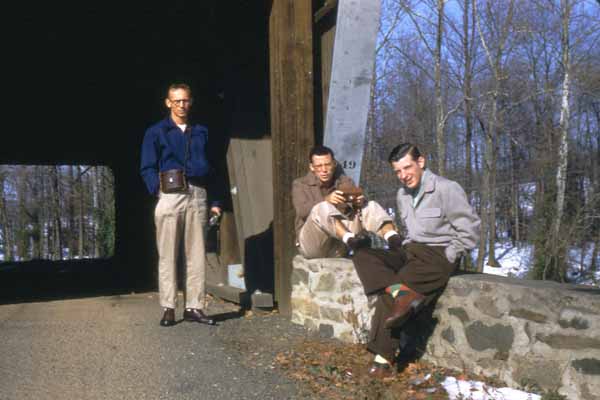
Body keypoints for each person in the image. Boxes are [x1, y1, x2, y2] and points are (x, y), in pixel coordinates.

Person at [351, 143, 480, 377]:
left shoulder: (446, 189)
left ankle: (382, 361)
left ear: (421, 162)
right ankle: (404, 294)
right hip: (412, 250)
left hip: (437, 255)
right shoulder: (402, 195)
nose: (403, 176)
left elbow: (469, 230)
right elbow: (411, 230)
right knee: (364, 255)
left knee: (388, 295)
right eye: (398, 171)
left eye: (407, 168)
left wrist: (451, 255)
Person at [140, 83, 221, 327]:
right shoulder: (156, 132)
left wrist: (216, 201)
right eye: (177, 101)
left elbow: (215, 168)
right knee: (167, 254)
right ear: (168, 103)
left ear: (191, 102)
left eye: (185, 101)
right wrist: (158, 190)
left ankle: (194, 307)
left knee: (196, 254)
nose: (181, 105)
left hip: (198, 193)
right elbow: (147, 167)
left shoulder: (202, 132)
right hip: (170, 194)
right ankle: (168, 307)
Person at [292, 145, 403, 259]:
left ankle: (392, 237)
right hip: (314, 244)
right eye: (319, 166)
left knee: (369, 206)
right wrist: (327, 200)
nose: (324, 170)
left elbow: (355, 209)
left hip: (338, 246)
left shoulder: (345, 181)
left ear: (334, 164)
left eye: (327, 164)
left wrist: (358, 202)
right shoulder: (300, 184)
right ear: (311, 167)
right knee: (322, 207)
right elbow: (302, 211)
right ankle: (351, 240)